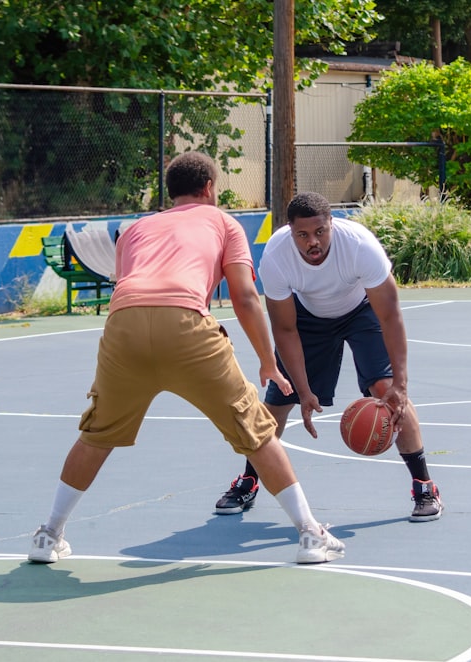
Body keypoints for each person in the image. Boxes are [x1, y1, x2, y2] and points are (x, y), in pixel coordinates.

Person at [28, 152, 344, 566]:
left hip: (124, 325)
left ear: (171, 191)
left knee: (96, 434)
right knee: (258, 431)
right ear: (209, 188)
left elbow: (134, 289)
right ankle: (309, 534)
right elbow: (245, 296)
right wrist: (268, 362)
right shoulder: (224, 223)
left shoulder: (136, 230)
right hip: (185, 325)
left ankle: (48, 535)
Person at [213, 191, 443, 522]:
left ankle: (424, 485)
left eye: (320, 231)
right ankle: (250, 479)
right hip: (308, 319)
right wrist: (304, 390)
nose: (313, 242)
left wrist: (402, 384)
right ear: (290, 231)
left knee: (386, 389)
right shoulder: (277, 257)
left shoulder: (360, 246)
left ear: (331, 224)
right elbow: (285, 330)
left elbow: (390, 315)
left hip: (362, 311)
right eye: (303, 235)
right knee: (280, 396)